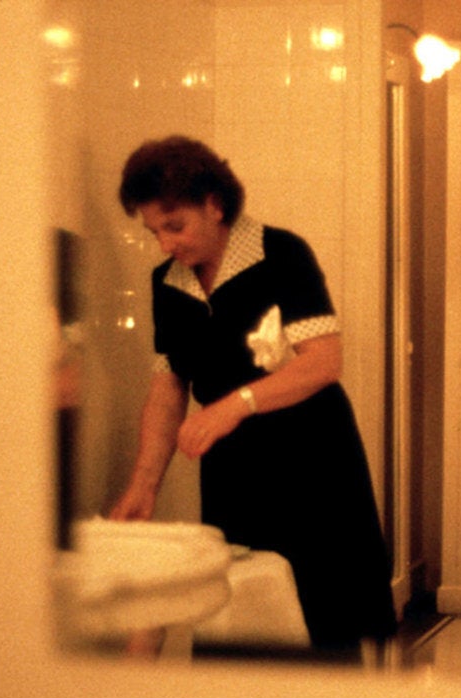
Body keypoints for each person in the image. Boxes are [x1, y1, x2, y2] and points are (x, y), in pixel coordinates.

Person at [110, 136, 396, 652]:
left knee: (321, 619)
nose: (165, 244)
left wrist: (232, 406)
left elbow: (323, 362)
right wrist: (144, 484)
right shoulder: (167, 283)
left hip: (310, 457)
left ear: (214, 205)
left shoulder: (281, 254)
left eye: (175, 226)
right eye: (155, 231)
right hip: (234, 468)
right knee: (241, 623)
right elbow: (169, 388)